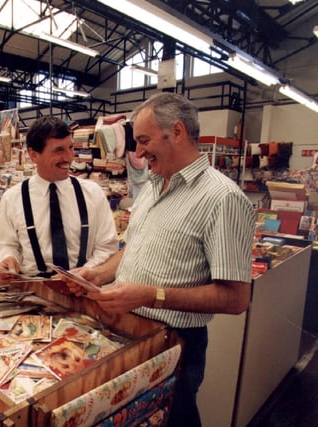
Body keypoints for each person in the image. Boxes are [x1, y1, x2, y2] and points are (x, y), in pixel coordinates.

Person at [62, 92, 255, 427]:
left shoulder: (223, 199)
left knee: (176, 417)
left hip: (176, 339)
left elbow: (237, 298)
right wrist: (99, 274)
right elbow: (135, 246)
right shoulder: (153, 183)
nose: (138, 152)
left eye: (144, 140)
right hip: (131, 330)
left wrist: (153, 295)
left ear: (177, 132)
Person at [0, 116, 119, 281]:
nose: (69, 157)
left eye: (71, 147)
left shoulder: (93, 193)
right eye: (59, 150)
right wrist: (8, 259)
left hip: (83, 288)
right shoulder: (12, 198)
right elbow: (6, 244)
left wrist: (85, 273)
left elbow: (107, 246)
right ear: (34, 155)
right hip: (33, 290)